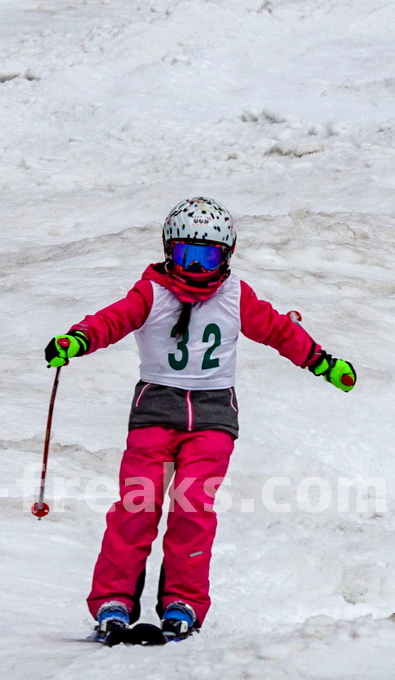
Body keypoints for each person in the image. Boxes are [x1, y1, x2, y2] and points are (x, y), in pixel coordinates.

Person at [44, 197, 356, 644]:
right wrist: (77, 339)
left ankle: (182, 601)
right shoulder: (151, 293)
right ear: (169, 251)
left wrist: (321, 362)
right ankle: (114, 601)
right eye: (186, 255)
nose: (195, 267)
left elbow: (278, 330)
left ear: (225, 256)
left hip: (212, 418)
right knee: (137, 504)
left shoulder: (235, 296)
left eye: (206, 256)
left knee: (193, 507)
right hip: (154, 412)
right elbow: (111, 320)